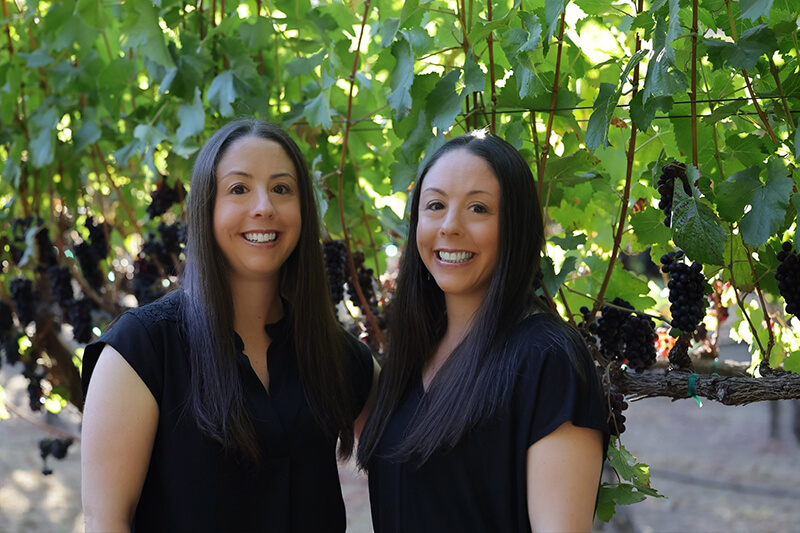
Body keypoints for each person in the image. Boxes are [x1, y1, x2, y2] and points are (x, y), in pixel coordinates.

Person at [81, 118, 379, 532]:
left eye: (282, 188)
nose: (264, 206)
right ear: (207, 208)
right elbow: (106, 522)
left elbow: (417, 467)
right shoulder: (143, 350)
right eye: (239, 189)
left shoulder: (338, 356)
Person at [357, 131, 609, 533]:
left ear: (516, 226)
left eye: (478, 208)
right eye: (435, 205)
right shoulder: (411, 354)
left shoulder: (547, 358)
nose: (450, 227)